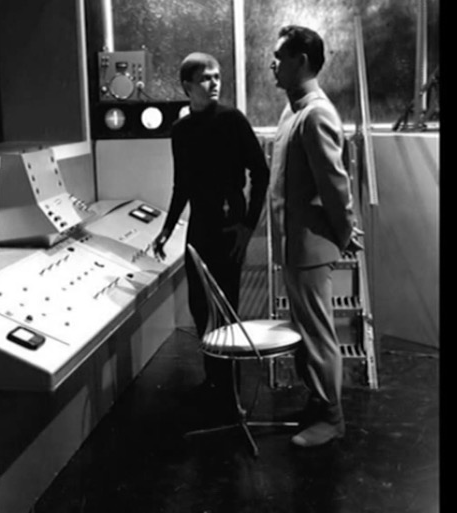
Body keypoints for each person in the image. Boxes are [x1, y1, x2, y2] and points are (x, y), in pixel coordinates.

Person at [152, 52, 270, 396]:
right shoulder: (182, 130)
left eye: (217, 76)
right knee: (200, 308)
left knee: (226, 308)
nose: (214, 83)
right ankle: (213, 379)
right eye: (206, 78)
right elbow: (182, 185)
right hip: (200, 227)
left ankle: (228, 388)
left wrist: (247, 226)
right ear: (187, 86)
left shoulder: (232, 120)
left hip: (229, 229)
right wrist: (167, 229)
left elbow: (260, 173)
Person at [268, 25, 363, 447]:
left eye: (279, 57)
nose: (271, 64)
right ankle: (317, 401)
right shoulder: (294, 111)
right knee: (305, 334)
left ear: (301, 61)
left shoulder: (316, 114)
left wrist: (344, 232)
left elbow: (335, 185)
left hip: (310, 246)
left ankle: (332, 417)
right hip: (294, 244)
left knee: (318, 335)